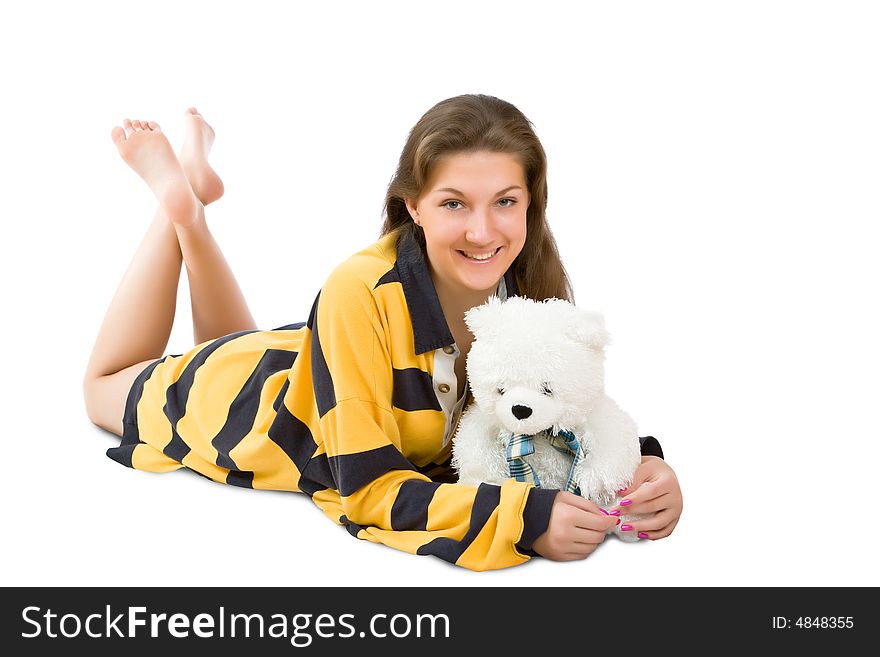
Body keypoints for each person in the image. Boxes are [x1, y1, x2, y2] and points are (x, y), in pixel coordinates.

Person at [83, 96, 683, 571]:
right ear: (413, 205)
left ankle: (191, 198)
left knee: (236, 344)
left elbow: (565, 412)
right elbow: (366, 491)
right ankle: (178, 209)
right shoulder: (359, 286)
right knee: (104, 386)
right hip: (250, 410)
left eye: (504, 201)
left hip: (307, 370)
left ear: (531, 204)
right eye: (454, 203)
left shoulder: (528, 293)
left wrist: (642, 471)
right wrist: (519, 520)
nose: (482, 231)